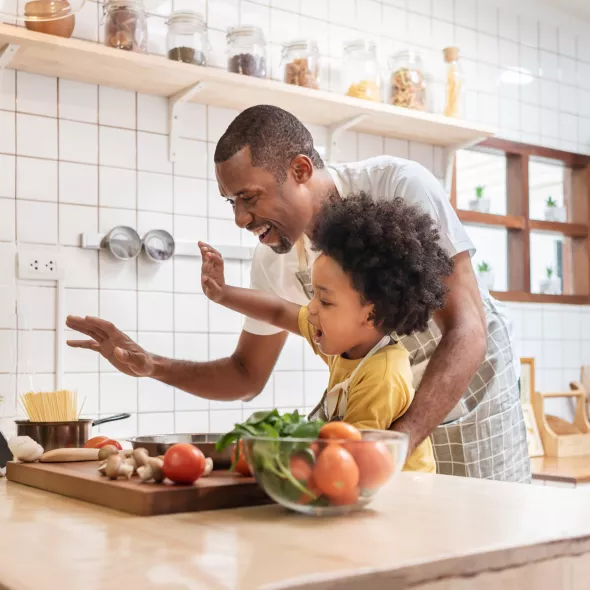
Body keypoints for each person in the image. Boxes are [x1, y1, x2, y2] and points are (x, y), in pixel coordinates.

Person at [66, 105, 531, 482]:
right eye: (232, 203)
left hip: (469, 398)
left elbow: (467, 328)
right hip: (383, 423)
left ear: (301, 169)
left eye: (249, 197)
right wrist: (151, 365)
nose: (240, 220)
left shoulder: (397, 186)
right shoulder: (273, 257)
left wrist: (402, 440)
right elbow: (247, 373)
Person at [200, 192, 454, 473]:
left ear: (370, 315)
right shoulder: (345, 340)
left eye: (325, 300)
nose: (310, 309)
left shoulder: (382, 375)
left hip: (403, 497)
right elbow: (277, 312)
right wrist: (223, 294)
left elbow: (350, 461)